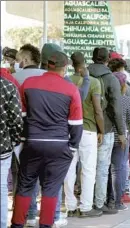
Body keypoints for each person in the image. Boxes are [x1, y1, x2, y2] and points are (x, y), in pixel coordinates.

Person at [11, 51, 83, 228]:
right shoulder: (71, 89)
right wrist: (72, 148)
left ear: (45, 64)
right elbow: (76, 124)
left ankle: (17, 224)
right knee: (51, 188)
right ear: (65, 67)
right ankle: (45, 225)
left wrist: (22, 140)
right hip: (59, 145)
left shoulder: (28, 84)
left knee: (25, 185)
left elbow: (22, 116)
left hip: (32, 142)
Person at [64, 52, 104, 218]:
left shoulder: (65, 81)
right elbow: (97, 110)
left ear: (71, 64)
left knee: (68, 168)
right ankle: (86, 207)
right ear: (85, 63)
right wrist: (101, 130)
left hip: (68, 130)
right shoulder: (94, 82)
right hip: (88, 130)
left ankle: (70, 206)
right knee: (88, 169)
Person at [88, 47, 125, 214]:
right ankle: (99, 203)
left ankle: (84, 203)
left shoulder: (82, 75)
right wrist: (122, 133)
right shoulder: (111, 79)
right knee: (102, 168)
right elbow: (116, 108)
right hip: (107, 127)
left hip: (83, 127)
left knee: (85, 168)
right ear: (107, 59)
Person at [109, 71, 130, 211]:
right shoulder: (126, 100)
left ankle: (108, 199)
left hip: (107, 136)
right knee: (118, 169)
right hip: (121, 138)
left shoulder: (107, 98)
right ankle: (118, 201)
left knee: (105, 170)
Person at [0, 76, 23, 228]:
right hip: (2, 146)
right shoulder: (7, 86)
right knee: (1, 187)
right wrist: (15, 139)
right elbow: (16, 119)